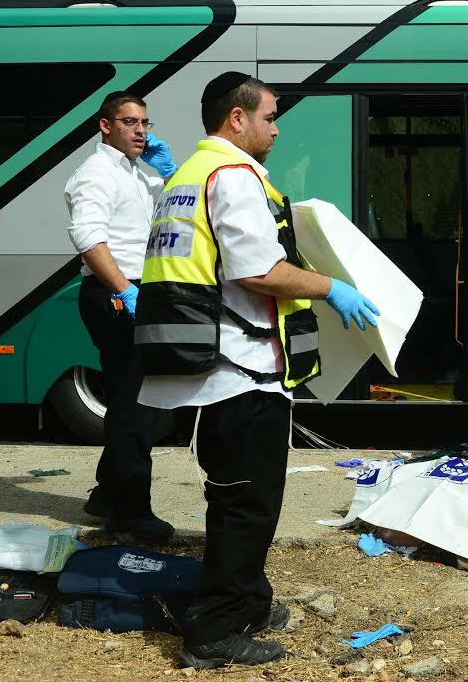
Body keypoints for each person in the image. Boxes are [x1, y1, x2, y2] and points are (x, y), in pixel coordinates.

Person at [136, 72, 380, 668]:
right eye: (270, 117)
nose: (275, 129)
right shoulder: (233, 177)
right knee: (246, 505)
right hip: (241, 369)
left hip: (215, 367)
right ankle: (214, 632)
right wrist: (330, 287)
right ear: (237, 119)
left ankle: (248, 599)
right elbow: (258, 271)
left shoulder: (188, 176)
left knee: (238, 498)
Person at [64, 91, 178, 542]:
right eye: (130, 122)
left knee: (132, 399)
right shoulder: (94, 174)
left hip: (131, 291)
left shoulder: (133, 172)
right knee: (137, 404)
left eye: (145, 123)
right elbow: (87, 236)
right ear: (104, 125)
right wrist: (124, 290)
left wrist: (168, 171)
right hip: (115, 293)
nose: (140, 130)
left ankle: (108, 493)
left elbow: (170, 207)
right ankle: (130, 511)